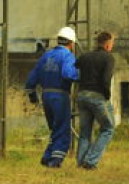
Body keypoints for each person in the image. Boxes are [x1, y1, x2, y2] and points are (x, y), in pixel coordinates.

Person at [24, 26, 80, 168]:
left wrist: (32, 95)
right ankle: (55, 161)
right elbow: (68, 73)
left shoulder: (46, 56)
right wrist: (80, 75)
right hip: (60, 95)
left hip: (46, 95)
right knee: (62, 129)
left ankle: (47, 156)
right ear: (71, 43)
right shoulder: (67, 56)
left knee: (54, 129)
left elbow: (31, 78)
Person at [75, 30, 116, 170]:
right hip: (97, 96)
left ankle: (80, 162)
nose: (112, 46)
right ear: (107, 45)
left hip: (81, 96)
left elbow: (76, 67)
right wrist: (106, 95)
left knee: (85, 131)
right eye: (112, 43)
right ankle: (90, 161)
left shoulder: (85, 56)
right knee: (108, 128)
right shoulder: (108, 58)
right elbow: (106, 79)